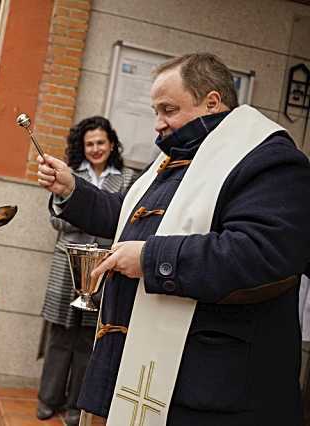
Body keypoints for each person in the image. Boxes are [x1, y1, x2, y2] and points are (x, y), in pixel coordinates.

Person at [37, 53, 310, 425]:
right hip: (146, 365)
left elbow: (263, 252)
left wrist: (150, 259)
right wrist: (73, 190)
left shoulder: (269, 159)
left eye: (168, 109)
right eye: (155, 111)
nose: (158, 125)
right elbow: (130, 216)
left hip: (214, 390)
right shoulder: (175, 158)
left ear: (211, 102)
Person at [37, 116, 135, 426]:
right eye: (89, 143)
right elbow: (56, 221)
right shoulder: (69, 174)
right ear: (82, 146)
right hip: (67, 265)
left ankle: (74, 407)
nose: (95, 148)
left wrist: (83, 212)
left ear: (111, 145)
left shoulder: (127, 178)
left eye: (101, 143)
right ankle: (47, 398)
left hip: (102, 266)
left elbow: (123, 221)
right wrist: (87, 211)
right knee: (60, 334)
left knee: (87, 338)